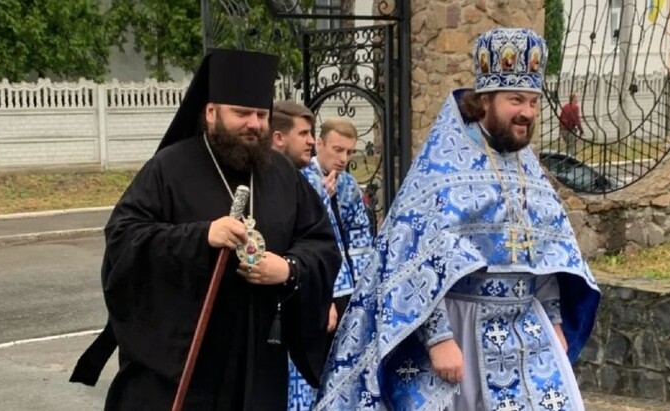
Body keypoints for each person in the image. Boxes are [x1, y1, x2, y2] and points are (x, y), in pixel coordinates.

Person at [314, 28, 601, 411]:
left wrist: (556, 321)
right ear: (485, 100)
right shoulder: (444, 163)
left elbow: (550, 252)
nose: (527, 113)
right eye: (516, 100)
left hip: (529, 332)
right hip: (463, 328)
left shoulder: (527, 167)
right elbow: (413, 258)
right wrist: (438, 339)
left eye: (533, 101)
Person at [69, 49, 342, 411]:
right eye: (241, 113)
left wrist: (289, 269)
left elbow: (320, 243)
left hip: (260, 360)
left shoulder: (281, 174)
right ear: (211, 113)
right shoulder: (168, 168)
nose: (254, 124)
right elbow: (123, 239)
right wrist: (201, 237)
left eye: (261, 115)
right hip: (182, 363)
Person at [271, 107, 374, 410]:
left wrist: (362, 285)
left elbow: (359, 238)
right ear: (321, 144)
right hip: (313, 284)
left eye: (349, 152)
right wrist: (325, 294)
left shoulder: (348, 185)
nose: (343, 158)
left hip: (344, 286)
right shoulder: (303, 178)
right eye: (337, 149)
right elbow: (315, 244)